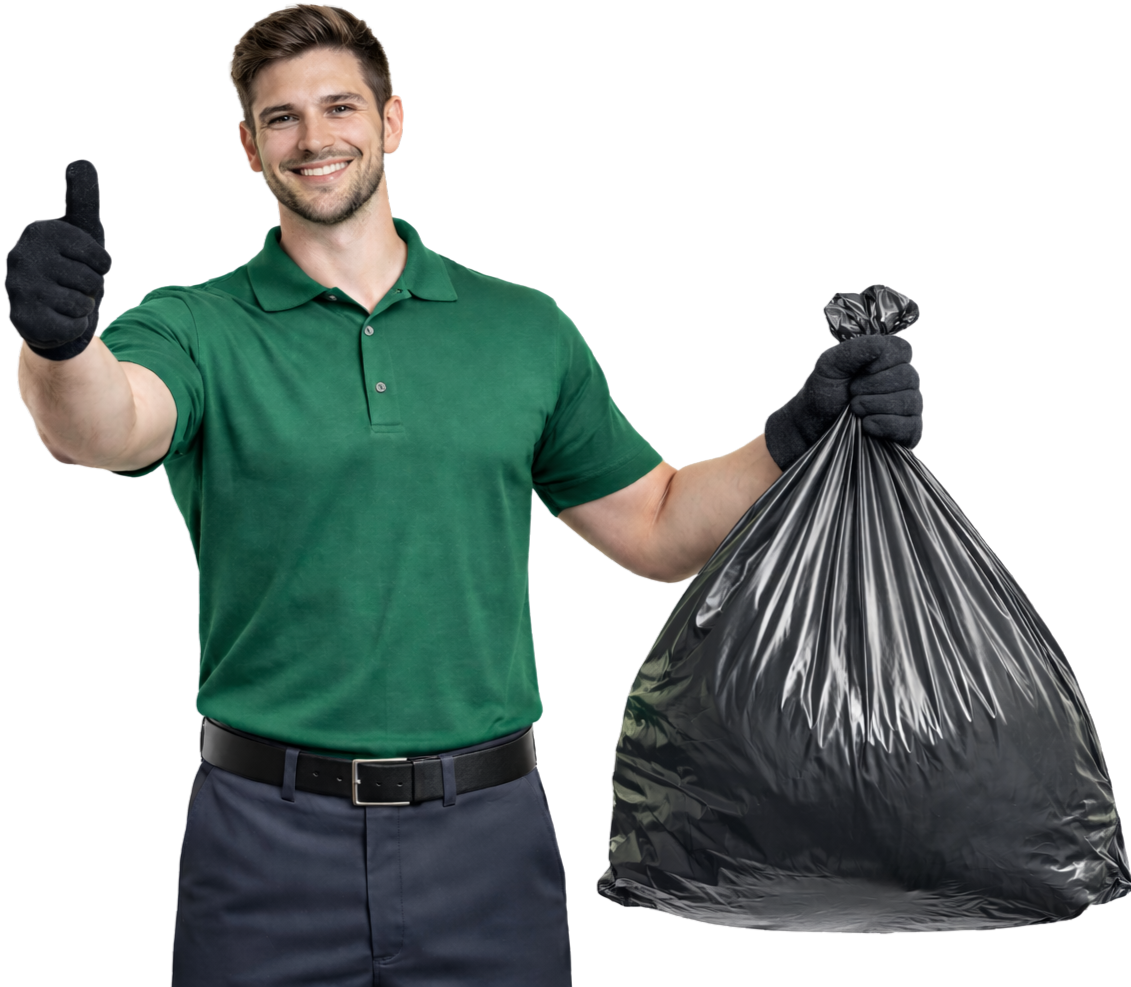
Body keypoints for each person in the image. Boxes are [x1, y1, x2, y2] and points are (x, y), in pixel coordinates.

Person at [8, 4, 922, 984]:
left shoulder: (521, 328)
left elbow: (659, 531)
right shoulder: (196, 324)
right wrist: (57, 346)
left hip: (487, 840)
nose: (314, 139)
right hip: (262, 840)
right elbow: (100, 428)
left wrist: (792, 438)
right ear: (247, 146)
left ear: (391, 121)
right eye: (280, 119)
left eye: (338, 107)